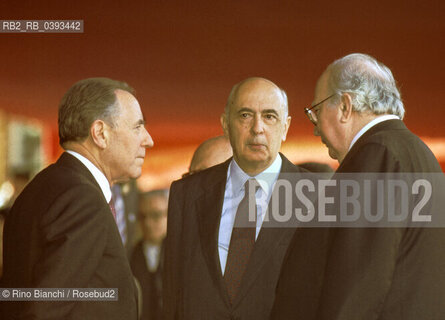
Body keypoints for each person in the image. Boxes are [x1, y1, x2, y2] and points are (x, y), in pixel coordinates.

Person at [271, 53, 445, 319]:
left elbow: (360, 281)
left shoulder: (376, 155)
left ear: (344, 107)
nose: (315, 129)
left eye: (316, 112)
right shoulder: (414, 153)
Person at [2, 77, 153, 319]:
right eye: (137, 127)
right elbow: (45, 308)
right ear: (100, 133)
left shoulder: (45, 187)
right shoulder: (82, 199)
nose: (148, 139)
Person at [163, 77, 307, 319]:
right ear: (225, 123)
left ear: (285, 127)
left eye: (270, 116)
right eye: (245, 115)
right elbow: (173, 296)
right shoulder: (186, 194)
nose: (257, 128)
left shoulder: (317, 194)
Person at [130, 189, 168, 320]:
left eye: (156, 215)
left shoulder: (180, 253)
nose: (148, 223)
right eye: (143, 217)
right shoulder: (130, 255)